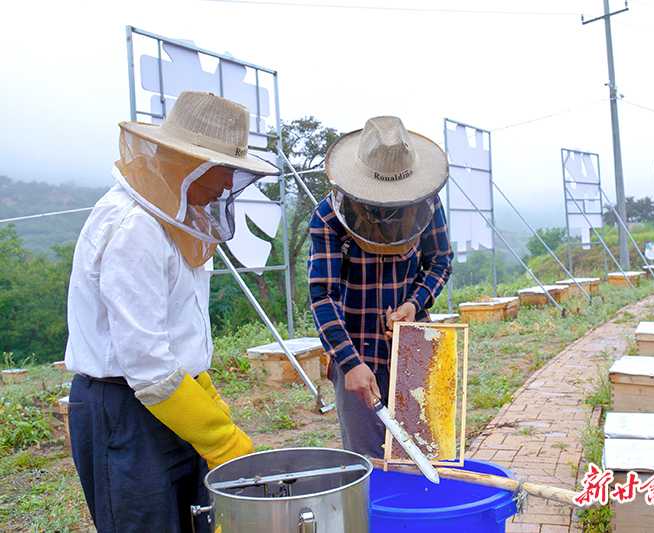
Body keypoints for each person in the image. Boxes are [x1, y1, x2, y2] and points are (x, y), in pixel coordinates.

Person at [65, 91, 277, 532]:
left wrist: (207, 400)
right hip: (124, 410)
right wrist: (221, 439)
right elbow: (146, 362)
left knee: (195, 520)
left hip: (173, 402)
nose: (225, 185)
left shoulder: (179, 219)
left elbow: (177, 337)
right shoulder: (133, 227)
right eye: (222, 170)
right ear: (188, 163)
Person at [308, 116, 453, 457]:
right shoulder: (329, 216)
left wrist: (413, 304)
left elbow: (441, 261)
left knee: (425, 454)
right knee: (369, 466)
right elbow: (322, 294)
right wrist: (349, 362)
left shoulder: (427, 206)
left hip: (414, 347)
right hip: (358, 354)